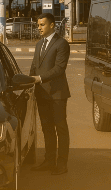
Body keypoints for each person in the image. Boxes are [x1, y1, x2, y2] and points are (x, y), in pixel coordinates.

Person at [29, 12, 70, 175]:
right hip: (42, 94)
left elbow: (59, 68)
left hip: (57, 94)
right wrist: (29, 82)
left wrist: (39, 78)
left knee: (61, 128)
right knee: (47, 128)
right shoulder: (39, 44)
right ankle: (49, 160)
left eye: (42, 24)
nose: (39, 28)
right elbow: (34, 66)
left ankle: (62, 163)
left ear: (52, 25)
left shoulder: (61, 44)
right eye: (38, 25)